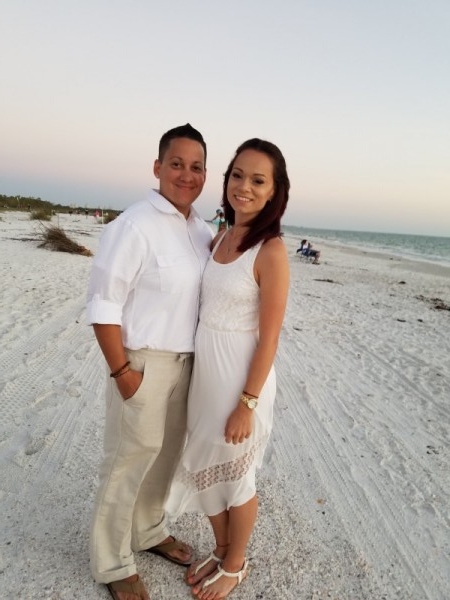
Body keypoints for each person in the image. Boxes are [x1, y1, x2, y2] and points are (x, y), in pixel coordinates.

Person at [86, 123, 213, 600]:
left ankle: (148, 530)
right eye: (176, 164)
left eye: (196, 166)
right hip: (141, 362)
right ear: (157, 167)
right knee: (127, 460)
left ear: (205, 174)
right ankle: (113, 561)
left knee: (164, 457)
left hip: (185, 363)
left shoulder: (200, 230)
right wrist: (122, 372)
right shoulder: (134, 224)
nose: (186, 174)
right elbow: (103, 302)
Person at [166, 138, 290, 599]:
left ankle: (236, 564)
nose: (244, 186)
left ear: (274, 191)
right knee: (202, 463)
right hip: (207, 376)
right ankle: (221, 548)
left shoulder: (271, 251)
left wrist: (247, 403)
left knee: (238, 476)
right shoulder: (220, 235)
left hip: (240, 379)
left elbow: (270, 338)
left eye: (258, 180)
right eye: (238, 175)